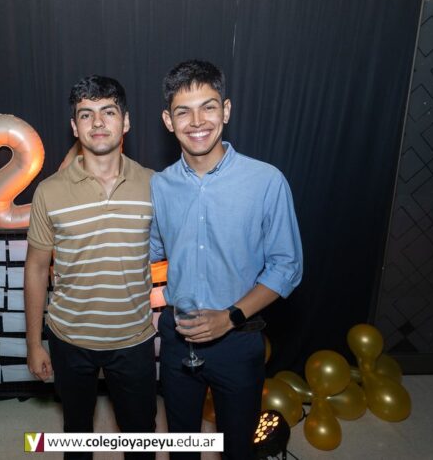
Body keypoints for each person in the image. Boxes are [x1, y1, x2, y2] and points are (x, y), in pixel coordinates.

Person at [150, 60, 303, 459]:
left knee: (238, 448)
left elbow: (287, 267)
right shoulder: (160, 186)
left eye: (209, 107)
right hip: (178, 339)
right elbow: (150, 252)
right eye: (183, 111)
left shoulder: (266, 181)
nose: (197, 121)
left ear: (227, 110)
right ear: (168, 120)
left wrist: (231, 316)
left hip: (239, 340)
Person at [25, 75, 157, 460]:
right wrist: (33, 343)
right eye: (86, 114)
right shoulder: (49, 191)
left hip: (134, 339)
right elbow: (36, 269)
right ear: (74, 126)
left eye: (108, 112)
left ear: (126, 121)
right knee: (77, 436)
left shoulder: (155, 185)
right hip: (69, 339)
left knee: (141, 439)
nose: (97, 122)